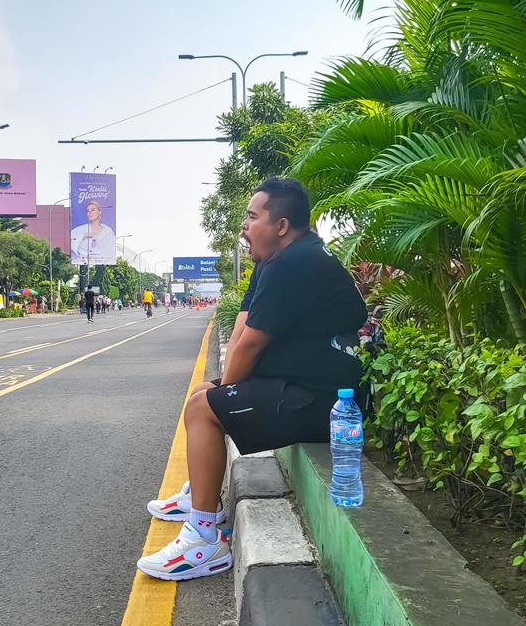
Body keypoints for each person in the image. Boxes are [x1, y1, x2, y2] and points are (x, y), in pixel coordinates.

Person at [138, 178, 367, 582]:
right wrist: (222, 385)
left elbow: (249, 346)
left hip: (322, 403)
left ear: (281, 225)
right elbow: (244, 325)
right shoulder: (277, 261)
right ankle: (201, 494)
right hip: (307, 391)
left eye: (251, 216)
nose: (244, 226)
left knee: (203, 407)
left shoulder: (295, 263)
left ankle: (205, 541)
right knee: (203, 395)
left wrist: (222, 391)